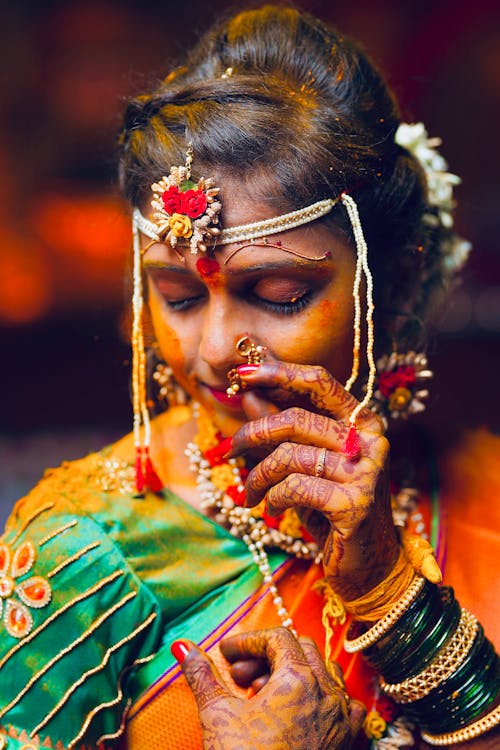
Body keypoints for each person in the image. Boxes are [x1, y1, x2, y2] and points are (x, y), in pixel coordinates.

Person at [0, 5, 498, 749]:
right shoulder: (88, 552)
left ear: (390, 284)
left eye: (279, 296)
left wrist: (391, 592)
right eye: (179, 296)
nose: (215, 352)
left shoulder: (479, 489)